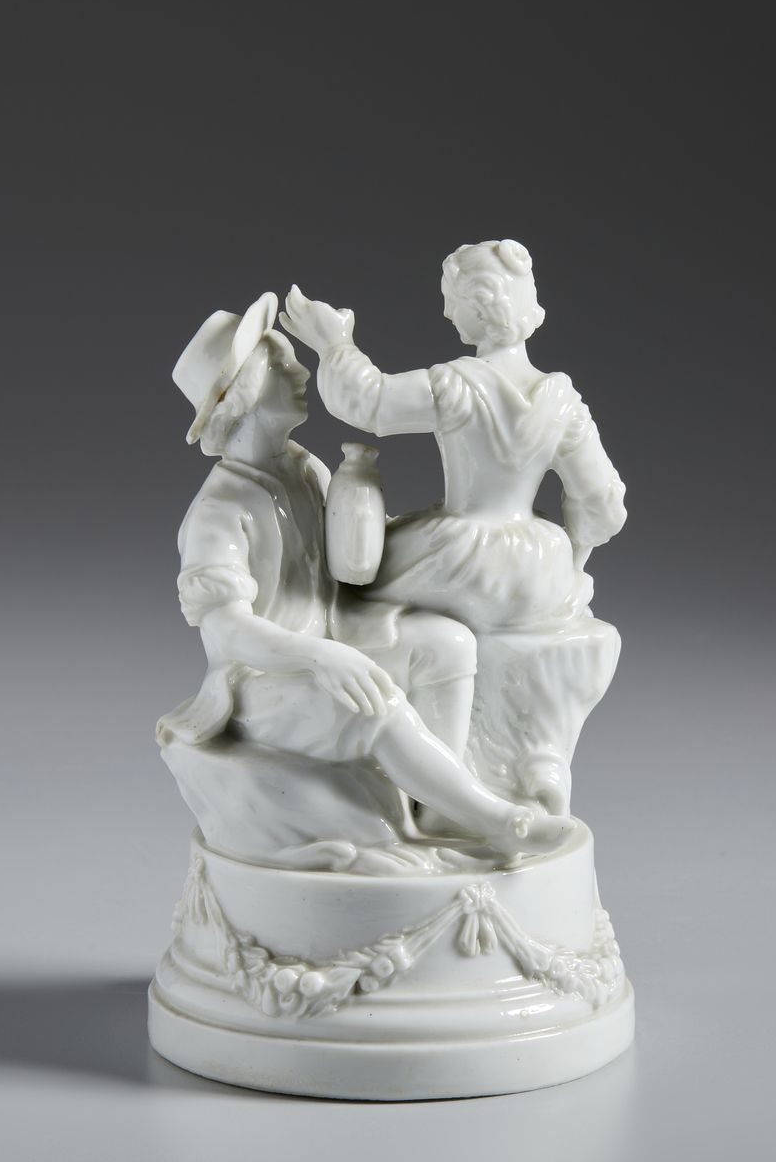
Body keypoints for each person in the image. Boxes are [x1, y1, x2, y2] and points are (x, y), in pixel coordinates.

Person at [156, 292, 578, 855]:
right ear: (243, 393)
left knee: (447, 643)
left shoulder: (304, 468)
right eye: (282, 366)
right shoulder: (221, 509)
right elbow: (225, 632)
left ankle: (440, 808)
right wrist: (319, 658)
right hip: (263, 680)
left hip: (336, 636)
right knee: (375, 703)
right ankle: (500, 823)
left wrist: (363, 501)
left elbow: (349, 567)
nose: (301, 372)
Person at [280, 242, 628, 812]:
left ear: (480, 305)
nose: (446, 313)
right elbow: (603, 502)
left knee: (345, 590)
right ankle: (529, 768)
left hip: (464, 553)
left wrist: (333, 343)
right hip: (538, 566)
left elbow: (369, 403)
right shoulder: (563, 400)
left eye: (452, 301)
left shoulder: (458, 383)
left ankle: (391, 752)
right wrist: (572, 562)